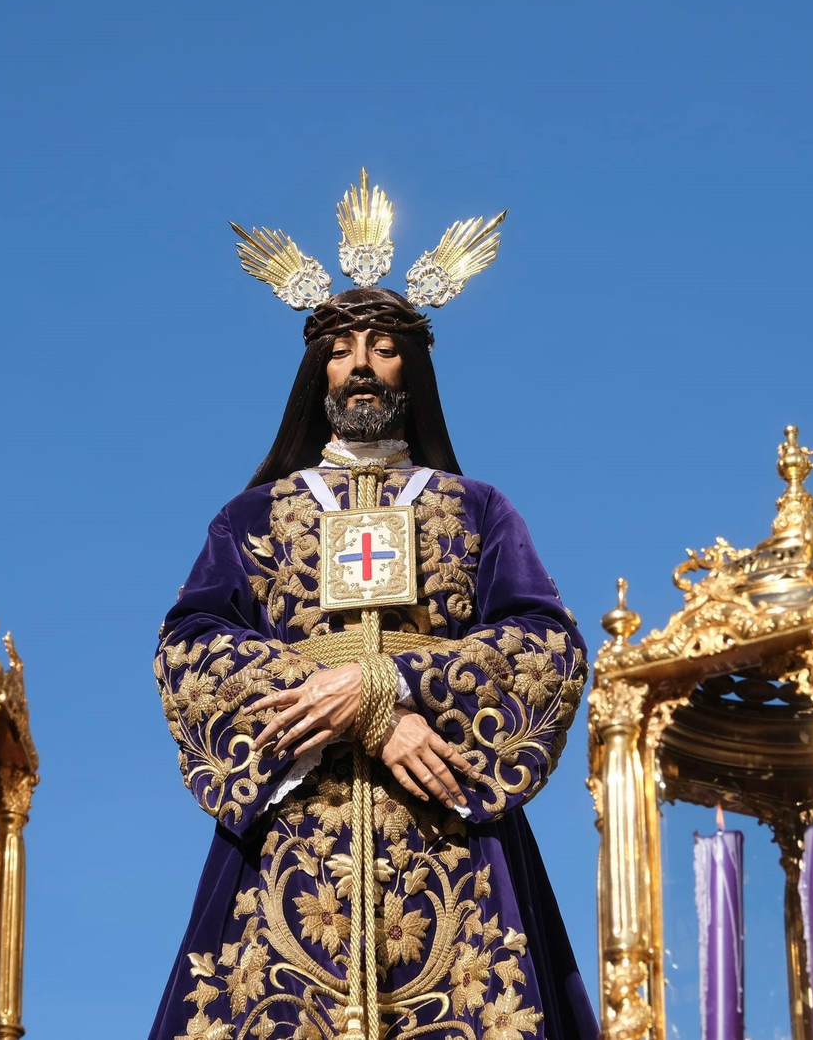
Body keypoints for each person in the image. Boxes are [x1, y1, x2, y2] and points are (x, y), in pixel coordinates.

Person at [151, 172, 597, 1040]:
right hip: (296, 839)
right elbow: (189, 647)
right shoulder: (253, 518)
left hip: (444, 827)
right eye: (344, 346)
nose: (362, 362)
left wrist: (390, 686)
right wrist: (353, 709)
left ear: (413, 370)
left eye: (384, 347)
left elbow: (545, 642)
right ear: (317, 368)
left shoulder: (475, 509)